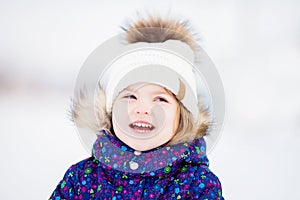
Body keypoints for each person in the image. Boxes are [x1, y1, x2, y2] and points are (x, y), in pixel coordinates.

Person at [49, 15, 224, 199]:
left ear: (182, 118)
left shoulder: (197, 185)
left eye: (160, 100)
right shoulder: (81, 179)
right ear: (110, 111)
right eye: (130, 96)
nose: (143, 109)